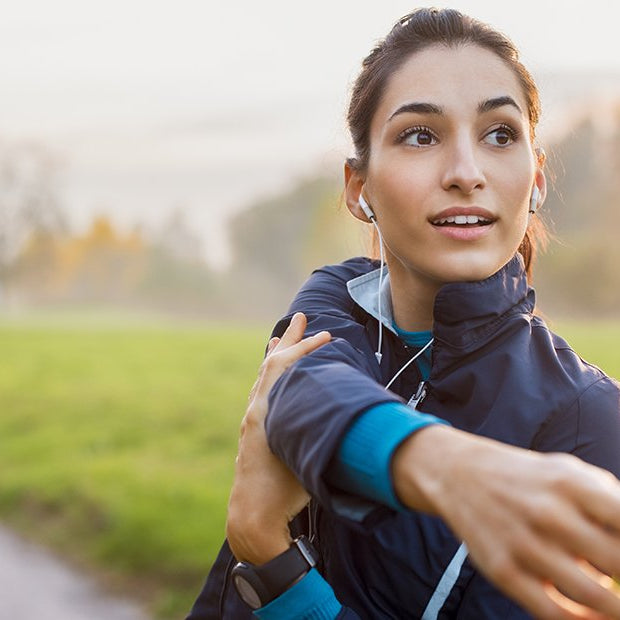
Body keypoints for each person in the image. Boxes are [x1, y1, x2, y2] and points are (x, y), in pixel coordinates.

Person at [188, 8, 620, 620]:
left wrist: (273, 562)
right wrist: (450, 468)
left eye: (500, 133)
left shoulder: (589, 418)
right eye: (420, 135)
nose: (467, 174)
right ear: (357, 187)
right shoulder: (340, 296)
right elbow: (303, 390)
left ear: (538, 177)